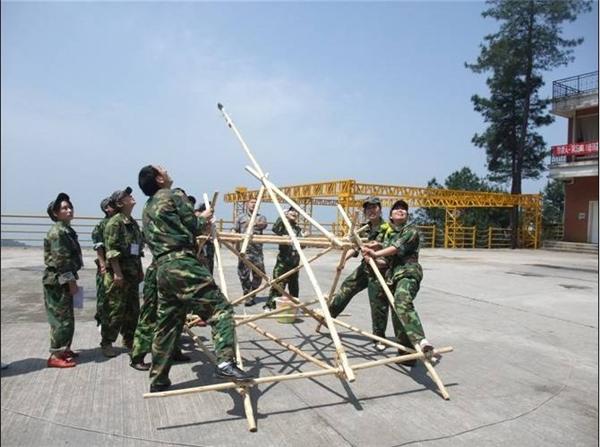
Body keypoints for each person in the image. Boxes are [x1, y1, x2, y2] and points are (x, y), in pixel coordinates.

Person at [138, 165, 253, 392]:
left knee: (167, 324)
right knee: (221, 310)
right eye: (163, 169)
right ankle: (225, 362)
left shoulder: (147, 207)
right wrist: (205, 218)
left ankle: (158, 379)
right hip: (183, 263)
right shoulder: (173, 195)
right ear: (159, 179)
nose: (168, 170)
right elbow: (194, 225)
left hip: (162, 268)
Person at [361, 199, 434, 364]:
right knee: (398, 312)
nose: (401, 210)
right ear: (391, 216)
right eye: (397, 209)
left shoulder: (411, 230)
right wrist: (370, 259)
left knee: (402, 300)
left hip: (408, 273)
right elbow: (386, 262)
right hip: (392, 277)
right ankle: (406, 355)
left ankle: (421, 340)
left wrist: (375, 253)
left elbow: (395, 248)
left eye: (404, 209)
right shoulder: (389, 235)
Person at [326, 196, 392, 351]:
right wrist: (343, 261)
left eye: (374, 207)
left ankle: (379, 338)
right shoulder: (364, 228)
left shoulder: (387, 228)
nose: (371, 210)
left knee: (378, 305)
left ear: (380, 209)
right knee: (347, 287)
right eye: (368, 208)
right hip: (366, 267)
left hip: (380, 270)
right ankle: (329, 316)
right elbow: (355, 247)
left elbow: (392, 248)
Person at [100, 187, 144, 358]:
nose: (131, 196)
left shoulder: (132, 222)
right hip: (119, 275)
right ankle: (107, 342)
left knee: (133, 310)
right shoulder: (114, 223)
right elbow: (111, 251)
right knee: (114, 310)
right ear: (119, 203)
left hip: (132, 273)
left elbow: (137, 250)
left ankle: (129, 338)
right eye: (126, 196)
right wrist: (117, 273)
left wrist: (140, 270)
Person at [42, 192, 83, 368]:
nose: (69, 210)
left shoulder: (66, 230)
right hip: (58, 281)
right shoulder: (58, 232)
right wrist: (71, 281)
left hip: (63, 279)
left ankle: (64, 348)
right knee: (60, 318)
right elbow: (61, 261)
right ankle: (55, 355)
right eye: (64, 208)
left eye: (69, 207)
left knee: (67, 316)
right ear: (55, 214)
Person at [264, 207, 303, 311]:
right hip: (283, 261)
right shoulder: (284, 225)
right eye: (292, 211)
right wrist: (283, 216)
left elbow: (302, 246)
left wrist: (304, 239)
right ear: (287, 213)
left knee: (294, 286)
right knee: (278, 284)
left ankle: (294, 307)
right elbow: (275, 228)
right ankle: (270, 305)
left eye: (296, 211)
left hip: (294, 262)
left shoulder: (298, 229)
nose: (294, 213)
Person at [233, 198, 268, 306]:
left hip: (257, 251)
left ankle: (252, 292)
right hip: (245, 251)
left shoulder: (261, 217)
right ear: (247, 204)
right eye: (252, 202)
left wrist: (253, 223)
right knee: (243, 274)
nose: (253, 204)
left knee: (259, 274)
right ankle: (247, 295)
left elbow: (263, 224)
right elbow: (235, 230)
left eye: (256, 203)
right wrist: (234, 245)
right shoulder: (240, 217)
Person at [91, 197, 116, 328]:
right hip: (106, 267)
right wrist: (102, 265)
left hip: (120, 267)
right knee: (104, 297)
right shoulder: (102, 225)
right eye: (112, 205)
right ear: (106, 209)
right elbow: (99, 248)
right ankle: (102, 321)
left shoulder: (120, 222)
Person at [195, 203, 215, 274]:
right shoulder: (196, 217)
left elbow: (212, 231)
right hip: (197, 247)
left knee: (208, 268)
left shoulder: (211, 220)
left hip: (208, 247)